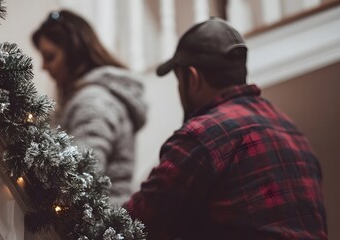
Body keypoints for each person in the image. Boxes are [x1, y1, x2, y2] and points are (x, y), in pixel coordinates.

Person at [124, 17, 327, 240]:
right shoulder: (292, 132)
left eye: (179, 81)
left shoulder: (201, 135)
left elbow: (136, 223)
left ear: (192, 78)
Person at [32, 10, 147, 206]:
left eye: (50, 57)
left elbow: (81, 177)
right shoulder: (88, 98)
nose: (43, 66)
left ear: (74, 53)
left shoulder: (94, 101)